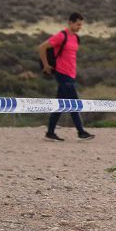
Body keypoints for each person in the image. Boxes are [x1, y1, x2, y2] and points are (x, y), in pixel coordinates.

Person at [38, 12, 95, 141]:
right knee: (73, 103)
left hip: (71, 74)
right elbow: (42, 47)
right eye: (78, 24)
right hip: (62, 74)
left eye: (81, 25)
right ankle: (81, 132)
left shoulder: (76, 38)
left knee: (60, 104)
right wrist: (46, 65)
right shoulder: (61, 36)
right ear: (70, 23)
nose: (80, 27)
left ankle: (50, 133)